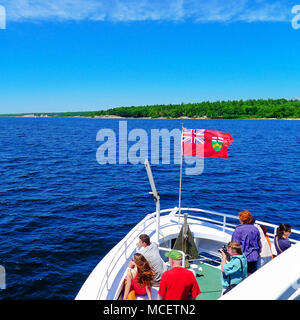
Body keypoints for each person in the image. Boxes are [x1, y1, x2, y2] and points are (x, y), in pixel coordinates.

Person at [231, 210, 261, 275]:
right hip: (253, 257)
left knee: (239, 276)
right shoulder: (255, 229)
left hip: (242, 257)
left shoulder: (238, 230)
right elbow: (259, 244)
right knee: (250, 276)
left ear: (241, 219)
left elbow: (235, 245)